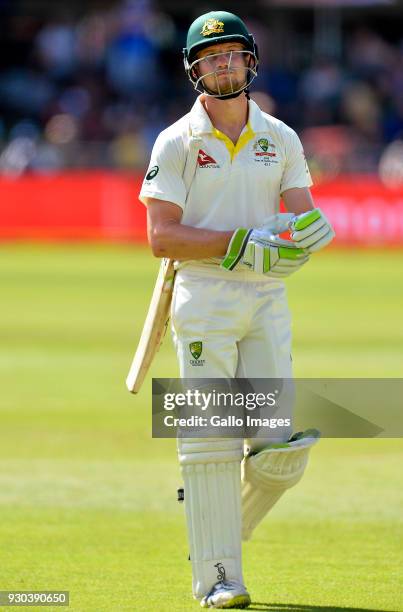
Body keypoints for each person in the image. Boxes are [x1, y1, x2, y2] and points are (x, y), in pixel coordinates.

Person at [139, 10, 334, 609]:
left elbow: (299, 213)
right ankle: (220, 574)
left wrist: (310, 234)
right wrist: (233, 244)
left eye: (231, 53)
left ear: (250, 60)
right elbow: (162, 236)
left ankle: (222, 524)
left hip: (266, 298)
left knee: (282, 448)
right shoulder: (176, 141)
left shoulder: (280, 136)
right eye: (210, 55)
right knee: (209, 440)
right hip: (204, 297)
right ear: (195, 68)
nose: (222, 64)